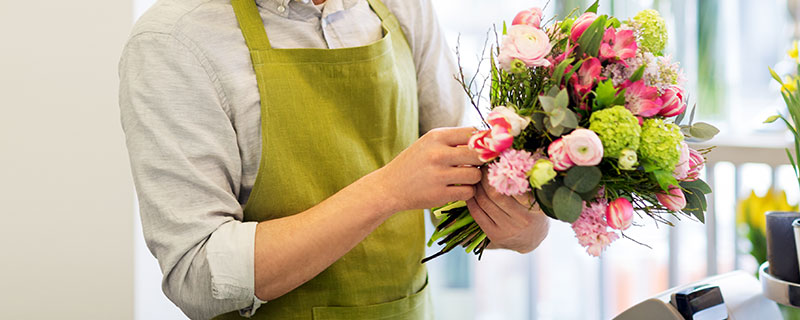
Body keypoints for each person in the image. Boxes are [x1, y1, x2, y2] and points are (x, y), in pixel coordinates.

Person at [119, 0, 550, 318]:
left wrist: (519, 227)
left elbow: (455, 193)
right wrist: (387, 191)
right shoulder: (173, 40)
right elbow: (197, 276)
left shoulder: (403, 8)